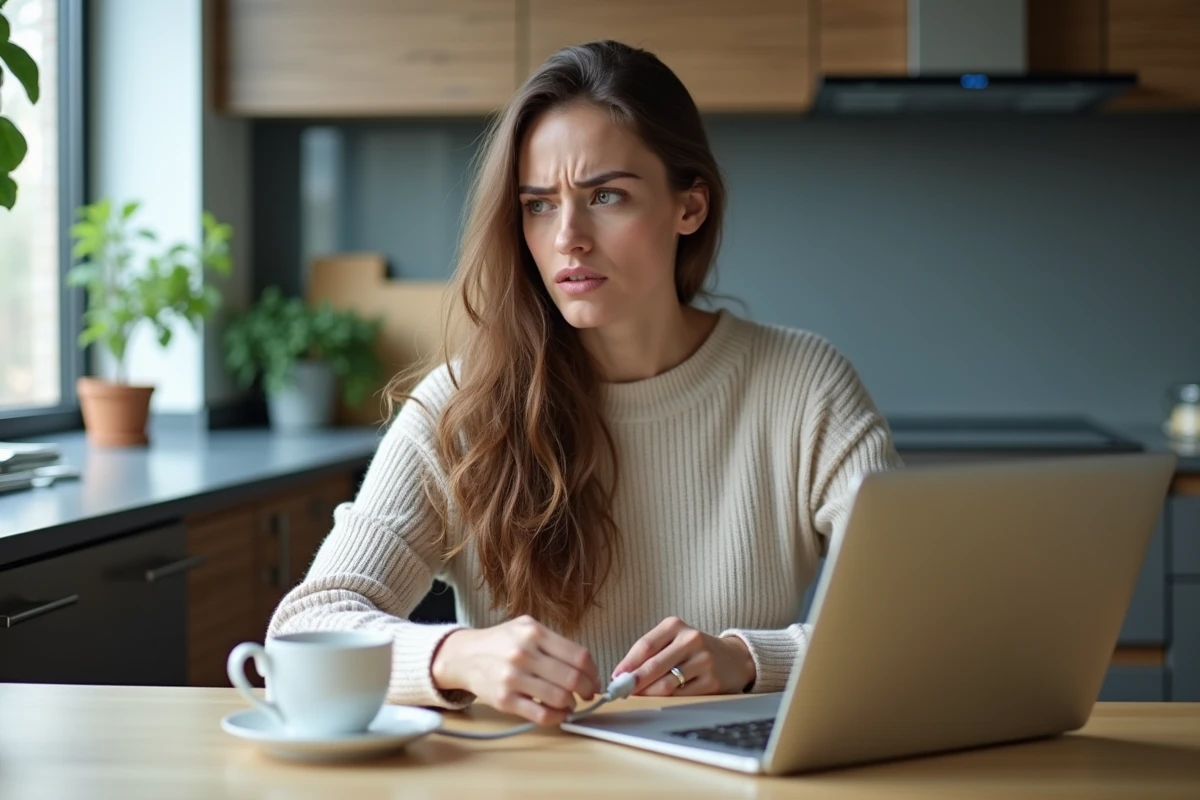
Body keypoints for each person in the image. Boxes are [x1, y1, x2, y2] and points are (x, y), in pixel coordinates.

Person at [267, 40, 902, 727]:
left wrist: (752, 659)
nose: (568, 236)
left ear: (689, 208)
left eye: (606, 196)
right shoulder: (461, 408)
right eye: (539, 204)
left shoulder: (805, 389)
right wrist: (457, 655)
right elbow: (302, 632)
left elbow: (921, 625)